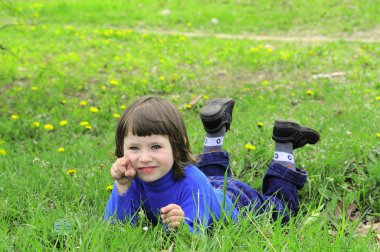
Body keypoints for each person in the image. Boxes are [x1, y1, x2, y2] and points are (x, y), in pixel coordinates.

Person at [104, 96, 320, 233]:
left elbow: (196, 231)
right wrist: (122, 187)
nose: (143, 158)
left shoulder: (191, 182)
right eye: (134, 148)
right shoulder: (134, 175)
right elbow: (118, 224)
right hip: (209, 186)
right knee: (208, 178)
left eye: (155, 147)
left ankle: (285, 146)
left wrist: (181, 226)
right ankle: (215, 132)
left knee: (282, 210)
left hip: (237, 202)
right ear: (122, 149)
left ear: (177, 146)